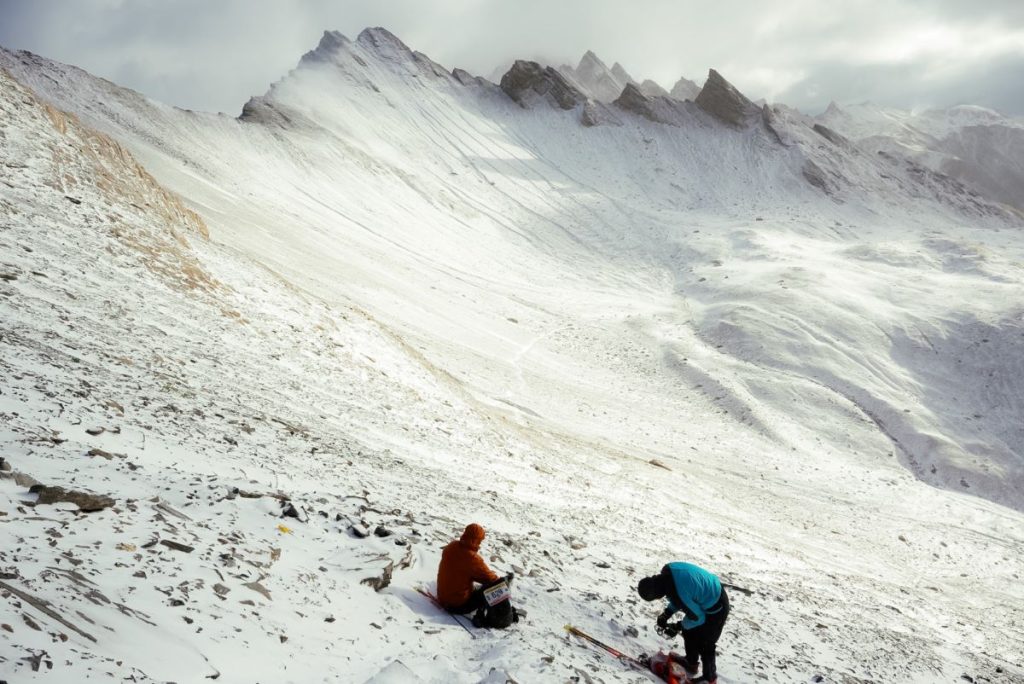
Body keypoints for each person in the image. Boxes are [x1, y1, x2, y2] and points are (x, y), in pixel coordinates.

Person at [637, 562, 729, 684]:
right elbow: (678, 596)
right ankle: (691, 662)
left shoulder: (677, 589)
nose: (658, 599)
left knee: (706, 642)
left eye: (655, 598)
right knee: (689, 629)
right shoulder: (667, 573)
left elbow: (698, 617)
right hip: (706, 593)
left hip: (717, 605)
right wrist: (667, 613)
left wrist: (678, 626)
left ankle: (710, 678)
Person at [436, 523, 516, 628]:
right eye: (480, 541)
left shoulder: (452, 545)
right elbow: (491, 579)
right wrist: (504, 581)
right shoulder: (472, 558)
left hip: (443, 598)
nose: (480, 544)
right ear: (476, 540)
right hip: (457, 605)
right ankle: (500, 620)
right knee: (497, 586)